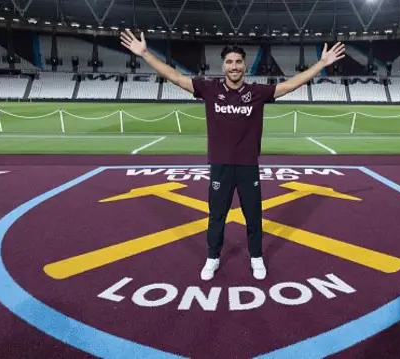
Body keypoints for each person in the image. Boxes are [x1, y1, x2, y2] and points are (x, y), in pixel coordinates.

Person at [120, 29, 345, 281]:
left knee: (253, 215)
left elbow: (291, 84)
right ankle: (212, 258)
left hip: (248, 166)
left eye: (238, 61)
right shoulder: (208, 89)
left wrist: (322, 64)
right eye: (229, 62)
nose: (234, 66)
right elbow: (175, 76)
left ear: (244, 65)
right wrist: (144, 54)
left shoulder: (257, 93)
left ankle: (256, 257)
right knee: (216, 216)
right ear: (223, 65)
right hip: (220, 166)